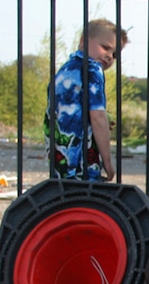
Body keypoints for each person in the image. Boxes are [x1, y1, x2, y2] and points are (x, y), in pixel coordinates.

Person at [45, 18, 128, 182]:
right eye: (105, 47)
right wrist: (108, 162)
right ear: (83, 41)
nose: (109, 56)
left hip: (60, 158)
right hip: (81, 161)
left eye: (115, 54)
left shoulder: (66, 69)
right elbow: (98, 118)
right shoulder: (92, 69)